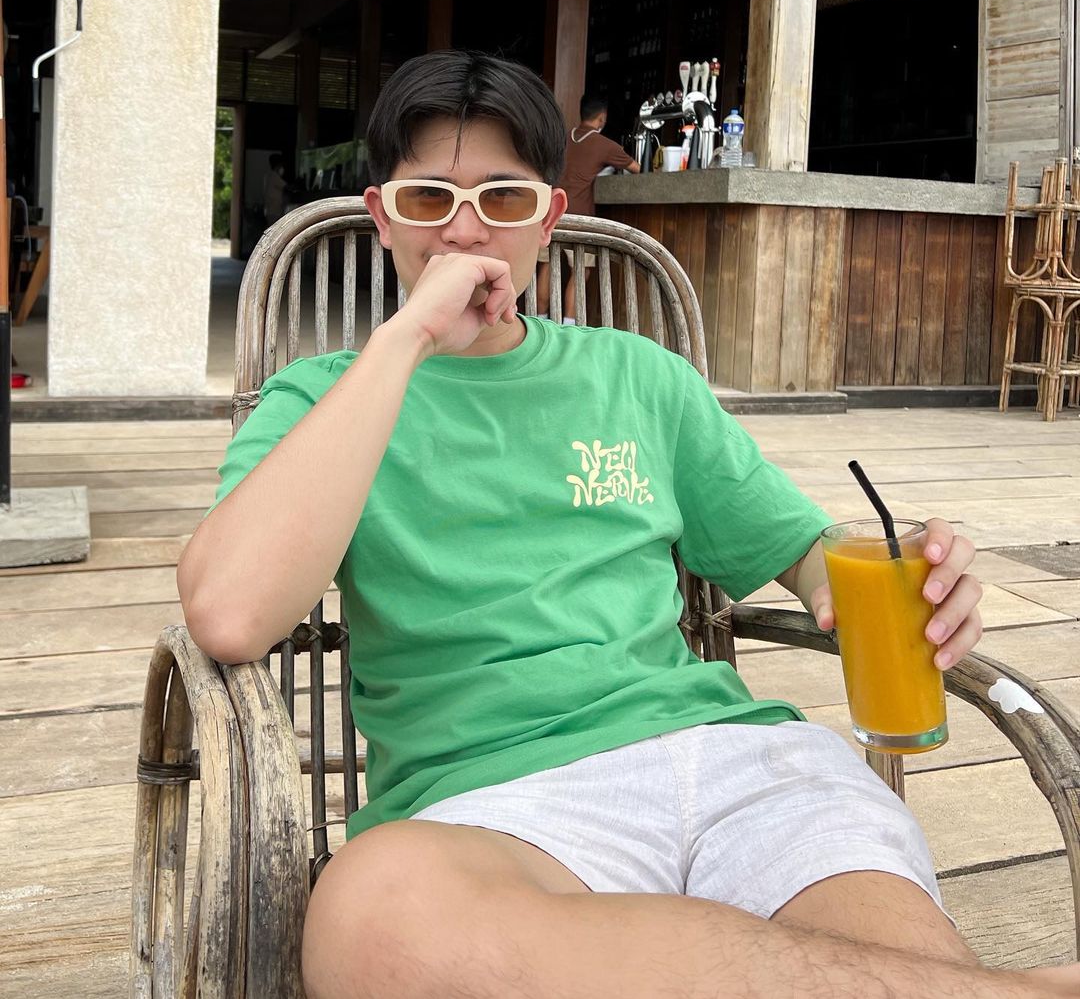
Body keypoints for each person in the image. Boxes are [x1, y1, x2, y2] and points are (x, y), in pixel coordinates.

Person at [178, 51, 1075, 999]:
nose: (465, 230)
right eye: (430, 198)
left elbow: (808, 558)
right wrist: (406, 342)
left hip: (740, 766)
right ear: (383, 216)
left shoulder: (639, 377)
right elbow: (231, 615)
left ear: (549, 219)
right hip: (491, 811)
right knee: (373, 923)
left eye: (503, 199)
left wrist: (908, 580)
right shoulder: (321, 401)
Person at [536, 93, 639, 324]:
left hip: (549, 213)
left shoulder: (562, 139)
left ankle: (540, 320)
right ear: (602, 118)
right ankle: (569, 325)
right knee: (580, 271)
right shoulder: (605, 145)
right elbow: (636, 168)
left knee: (546, 266)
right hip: (579, 217)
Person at [262, 152, 289, 225]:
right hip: (274, 211)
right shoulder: (274, 176)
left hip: (271, 210)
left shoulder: (269, 175)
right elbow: (287, 187)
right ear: (278, 165)